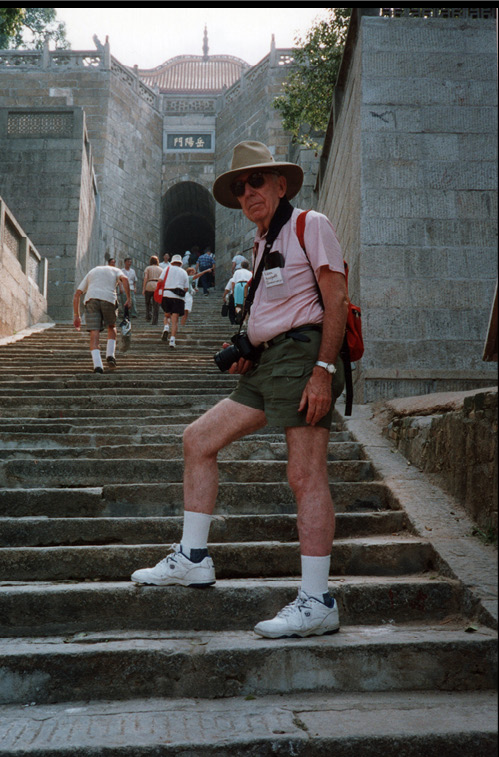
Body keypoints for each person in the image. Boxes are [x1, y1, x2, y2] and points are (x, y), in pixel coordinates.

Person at [131, 140, 348, 640]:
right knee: (197, 439)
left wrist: (322, 370)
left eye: (256, 181)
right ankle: (193, 557)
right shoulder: (262, 242)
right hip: (267, 362)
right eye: (239, 186)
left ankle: (317, 601)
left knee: (305, 474)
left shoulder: (309, 224)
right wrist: (248, 345)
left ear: (280, 184)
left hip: (302, 357)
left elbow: (335, 299)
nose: (248, 191)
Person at [73, 259, 131, 373]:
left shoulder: (93, 271)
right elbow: (125, 279)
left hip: (91, 299)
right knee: (111, 326)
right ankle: (110, 355)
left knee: (94, 332)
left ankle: (98, 366)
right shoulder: (116, 270)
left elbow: (77, 294)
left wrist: (76, 315)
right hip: (108, 299)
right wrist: (128, 299)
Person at [158, 254, 190, 348]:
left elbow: (160, 280)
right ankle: (172, 340)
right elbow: (186, 288)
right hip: (178, 297)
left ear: (172, 262)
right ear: (180, 263)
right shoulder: (184, 272)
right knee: (175, 320)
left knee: (167, 315)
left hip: (166, 294)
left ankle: (166, 327)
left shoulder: (167, 269)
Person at [222, 259, 252, 325]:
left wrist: (233, 292)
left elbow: (233, 282)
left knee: (238, 304)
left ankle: (239, 313)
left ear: (241, 266)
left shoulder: (237, 272)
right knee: (246, 304)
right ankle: (244, 320)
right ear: (248, 266)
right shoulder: (250, 273)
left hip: (238, 286)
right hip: (247, 286)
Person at [142, 255, 164, 325]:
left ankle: (148, 316)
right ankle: (155, 320)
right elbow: (162, 280)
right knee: (156, 304)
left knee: (148, 302)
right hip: (157, 285)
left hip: (149, 284)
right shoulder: (161, 269)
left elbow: (145, 278)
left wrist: (143, 288)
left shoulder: (148, 268)